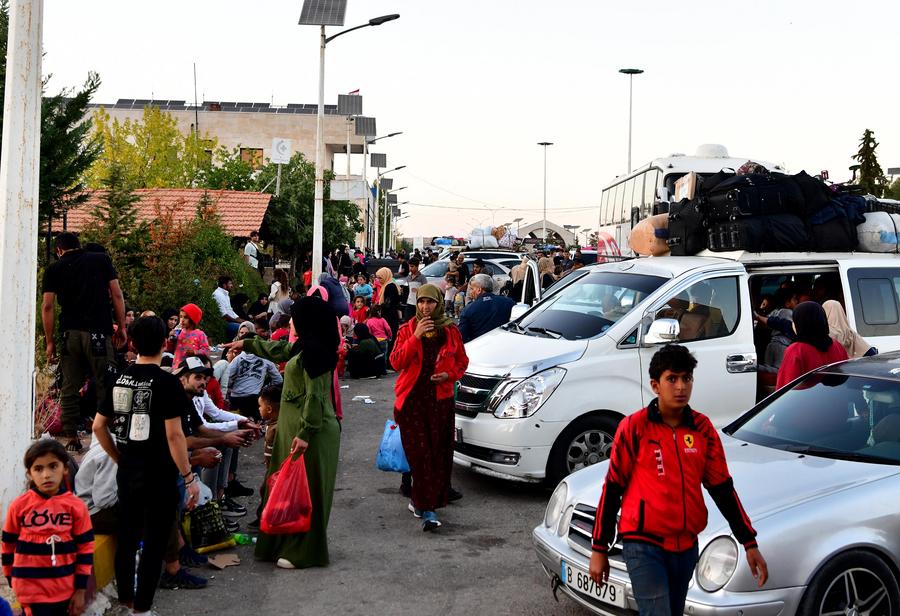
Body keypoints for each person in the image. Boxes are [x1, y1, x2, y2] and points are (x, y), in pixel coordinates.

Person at [589, 344, 768, 614]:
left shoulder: (702, 429)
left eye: (687, 378)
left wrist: (749, 542)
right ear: (655, 385)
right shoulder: (635, 427)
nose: (681, 386)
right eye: (672, 379)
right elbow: (612, 489)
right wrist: (599, 548)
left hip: (686, 546)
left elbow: (723, 489)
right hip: (643, 545)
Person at [91, 316, 200, 616]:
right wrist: (189, 477)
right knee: (153, 542)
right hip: (160, 474)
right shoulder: (168, 383)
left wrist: (118, 457)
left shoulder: (119, 378)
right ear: (166, 344)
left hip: (128, 470)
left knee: (127, 537)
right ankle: (142, 608)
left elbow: (99, 427)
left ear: (133, 344)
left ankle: (126, 601)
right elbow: (175, 435)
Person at [224, 296, 341, 569]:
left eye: (295, 317)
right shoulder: (305, 347)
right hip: (293, 429)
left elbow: (315, 398)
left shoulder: (317, 354)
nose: (290, 321)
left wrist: (305, 433)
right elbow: (279, 349)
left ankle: (304, 551)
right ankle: (281, 543)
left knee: (306, 491)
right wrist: (248, 343)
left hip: (310, 432)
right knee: (285, 488)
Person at [390, 284, 469, 531]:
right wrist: (415, 337)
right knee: (420, 454)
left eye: (430, 303)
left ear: (438, 304)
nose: (425, 307)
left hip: (440, 401)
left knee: (438, 453)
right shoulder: (407, 329)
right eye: (421, 302)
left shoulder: (450, 330)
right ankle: (429, 511)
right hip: (412, 401)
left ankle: (422, 499)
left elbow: (462, 362)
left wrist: (448, 375)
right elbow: (395, 362)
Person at [41, 232, 127, 452]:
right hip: (99, 332)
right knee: (104, 382)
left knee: (69, 385)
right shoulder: (99, 260)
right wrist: (122, 327)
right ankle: (104, 435)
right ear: (79, 246)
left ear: (59, 250)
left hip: (69, 334)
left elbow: (48, 307)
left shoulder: (54, 269)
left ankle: (71, 437)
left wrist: (50, 341)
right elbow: (116, 294)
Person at [2, 440, 93, 616]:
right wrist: (11, 578)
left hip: (65, 589)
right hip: (30, 591)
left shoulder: (76, 507)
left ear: (65, 468)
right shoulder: (19, 507)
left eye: (53, 466)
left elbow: (85, 548)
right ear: (29, 473)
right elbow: (7, 545)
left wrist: (80, 589)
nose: (46, 475)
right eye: (38, 469)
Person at [776, 301, 849, 389]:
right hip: (835, 400)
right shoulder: (837, 346)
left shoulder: (796, 350)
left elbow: (785, 389)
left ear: (801, 322)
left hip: (807, 401)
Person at [227, 343, 284, 420]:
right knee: (256, 426)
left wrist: (232, 387)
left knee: (235, 424)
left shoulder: (237, 359)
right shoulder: (266, 359)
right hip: (254, 399)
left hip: (235, 398)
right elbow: (278, 380)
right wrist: (266, 389)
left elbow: (228, 377)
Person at [458, 274, 516, 343]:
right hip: (506, 344)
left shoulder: (468, 309)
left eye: (471, 289)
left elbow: (461, 337)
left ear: (479, 290)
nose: (470, 292)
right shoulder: (509, 302)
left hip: (479, 348)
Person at [172, 303, 210, 369]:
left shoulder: (200, 334)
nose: (182, 320)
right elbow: (170, 348)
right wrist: (170, 340)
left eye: (186, 317)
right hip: (176, 366)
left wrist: (194, 352)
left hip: (192, 369)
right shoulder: (178, 331)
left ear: (193, 319)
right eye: (180, 317)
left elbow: (206, 350)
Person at [213, 275, 242, 340]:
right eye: (230, 284)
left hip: (232, 321)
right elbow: (223, 315)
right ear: (224, 285)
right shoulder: (218, 294)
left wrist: (240, 319)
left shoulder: (225, 295)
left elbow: (230, 311)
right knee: (244, 329)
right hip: (225, 323)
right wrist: (238, 322)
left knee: (248, 325)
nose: (232, 286)